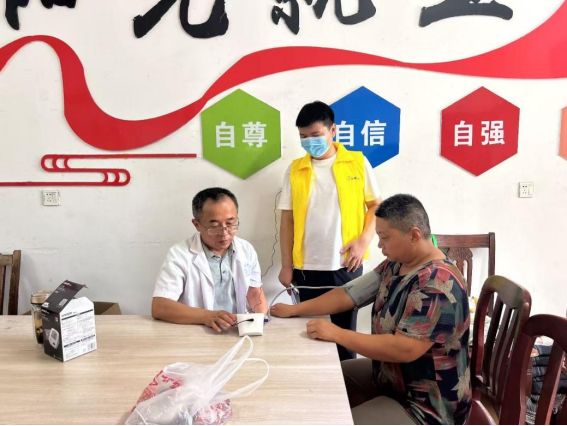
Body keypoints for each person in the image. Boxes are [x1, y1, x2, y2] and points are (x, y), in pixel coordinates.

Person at [272, 194, 471, 425]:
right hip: (389, 378)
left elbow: (404, 349)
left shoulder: (438, 283)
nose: (379, 245)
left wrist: (336, 334)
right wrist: (295, 309)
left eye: (384, 237)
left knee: (334, 418)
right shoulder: (396, 264)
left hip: (425, 406)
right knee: (321, 378)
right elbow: (348, 294)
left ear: (414, 235)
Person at [278, 101, 382, 361]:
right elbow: (287, 220)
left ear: (333, 130)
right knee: (309, 334)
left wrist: (363, 241)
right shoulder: (295, 169)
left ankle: (348, 384)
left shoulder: (357, 162)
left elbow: (376, 206)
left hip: (345, 264)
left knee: (344, 336)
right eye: (303, 136)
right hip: (306, 268)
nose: (309, 141)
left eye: (315, 135)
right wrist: (286, 265)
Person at [152, 188, 267, 332]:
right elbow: (160, 306)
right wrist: (206, 316)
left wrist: (261, 320)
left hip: (237, 332)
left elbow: (254, 292)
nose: (224, 233)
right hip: (196, 332)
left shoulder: (246, 249)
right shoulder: (179, 254)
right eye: (214, 227)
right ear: (197, 225)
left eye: (230, 224)